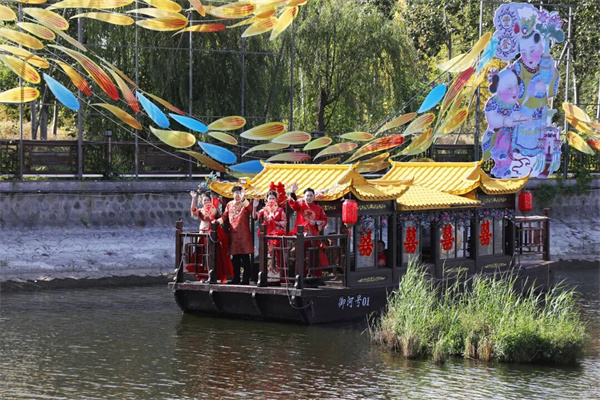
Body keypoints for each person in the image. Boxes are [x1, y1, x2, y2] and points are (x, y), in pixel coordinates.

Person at [481, 68, 530, 178]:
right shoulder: (493, 102)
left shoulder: (514, 104)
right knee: (505, 138)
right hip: (496, 132)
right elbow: (491, 118)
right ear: (500, 89)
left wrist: (522, 118)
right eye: (509, 88)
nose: (514, 91)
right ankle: (500, 159)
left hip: (511, 133)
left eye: (515, 87)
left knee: (512, 146)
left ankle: (505, 168)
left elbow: (516, 114)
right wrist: (504, 120)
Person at [189, 190, 233, 283]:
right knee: (202, 255)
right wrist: (194, 198)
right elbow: (193, 211)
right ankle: (203, 276)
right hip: (203, 234)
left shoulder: (214, 210)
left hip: (213, 235)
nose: (206, 202)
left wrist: (215, 219)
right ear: (202, 202)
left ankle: (214, 275)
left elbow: (221, 219)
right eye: (204, 200)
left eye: (208, 200)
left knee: (214, 254)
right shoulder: (201, 211)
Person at [287, 183, 328, 276]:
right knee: (300, 257)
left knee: (314, 257)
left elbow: (325, 220)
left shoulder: (318, 208)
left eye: (310, 195)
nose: (308, 197)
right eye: (307, 195)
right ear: (304, 196)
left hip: (313, 237)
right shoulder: (300, 205)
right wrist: (292, 192)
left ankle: (314, 277)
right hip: (301, 236)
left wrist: (316, 222)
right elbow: (292, 204)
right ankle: (300, 276)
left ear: (314, 197)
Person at [217, 186, 254, 284]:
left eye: (239, 193)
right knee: (235, 258)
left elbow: (250, 209)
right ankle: (236, 278)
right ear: (232, 194)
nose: (237, 195)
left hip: (244, 235)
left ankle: (246, 279)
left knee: (245, 257)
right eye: (236, 193)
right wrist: (217, 222)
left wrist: (243, 198)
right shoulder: (229, 204)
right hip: (233, 235)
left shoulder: (244, 203)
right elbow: (224, 216)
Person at [253, 190, 287, 284]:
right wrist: (254, 207)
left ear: (276, 199)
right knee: (267, 257)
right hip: (267, 237)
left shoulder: (280, 210)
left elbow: (284, 223)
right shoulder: (264, 210)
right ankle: (266, 277)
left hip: (277, 237)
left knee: (276, 257)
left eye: (273, 198)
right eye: (269, 198)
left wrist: (273, 221)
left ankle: (276, 278)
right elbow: (255, 217)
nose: (271, 200)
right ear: (266, 200)